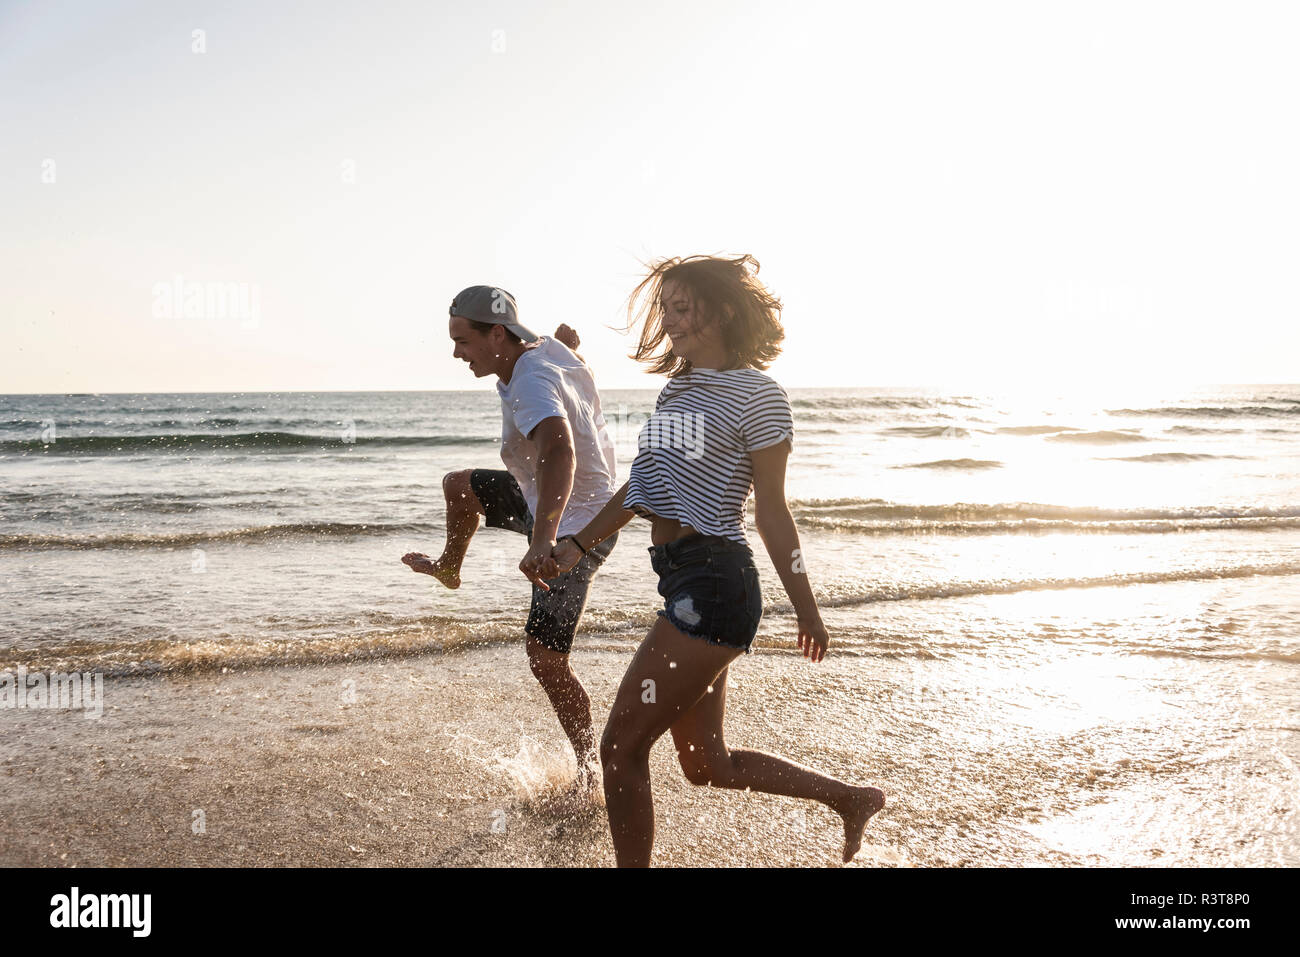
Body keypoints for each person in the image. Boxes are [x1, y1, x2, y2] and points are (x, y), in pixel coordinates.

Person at [549, 255, 886, 866]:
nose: (671, 320)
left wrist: (807, 611)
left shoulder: (761, 396)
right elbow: (640, 486)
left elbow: (772, 513)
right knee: (708, 764)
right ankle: (849, 799)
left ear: (724, 311)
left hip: (713, 584)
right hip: (682, 579)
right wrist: (574, 546)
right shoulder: (678, 387)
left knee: (621, 747)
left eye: (684, 307)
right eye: (666, 308)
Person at [402, 285, 620, 788]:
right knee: (460, 487)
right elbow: (560, 355)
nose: (457, 352)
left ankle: (593, 773)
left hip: (576, 526)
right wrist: (569, 345)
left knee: (546, 661)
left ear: (497, 333)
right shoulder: (542, 350)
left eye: (463, 340)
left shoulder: (531, 381)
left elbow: (560, 452)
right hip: (545, 499)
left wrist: (543, 540)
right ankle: (449, 568)